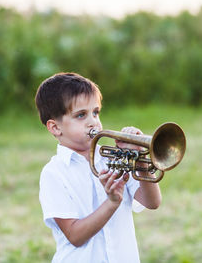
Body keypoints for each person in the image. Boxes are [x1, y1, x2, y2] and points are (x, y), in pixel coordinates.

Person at [35, 72, 162, 263]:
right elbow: (75, 236)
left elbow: (152, 202)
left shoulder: (115, 159)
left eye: (95, 112)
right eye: (81, 115)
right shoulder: (54, 173)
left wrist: (140, 159)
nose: (92, 121)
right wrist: (111, 203)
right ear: (55, 127)